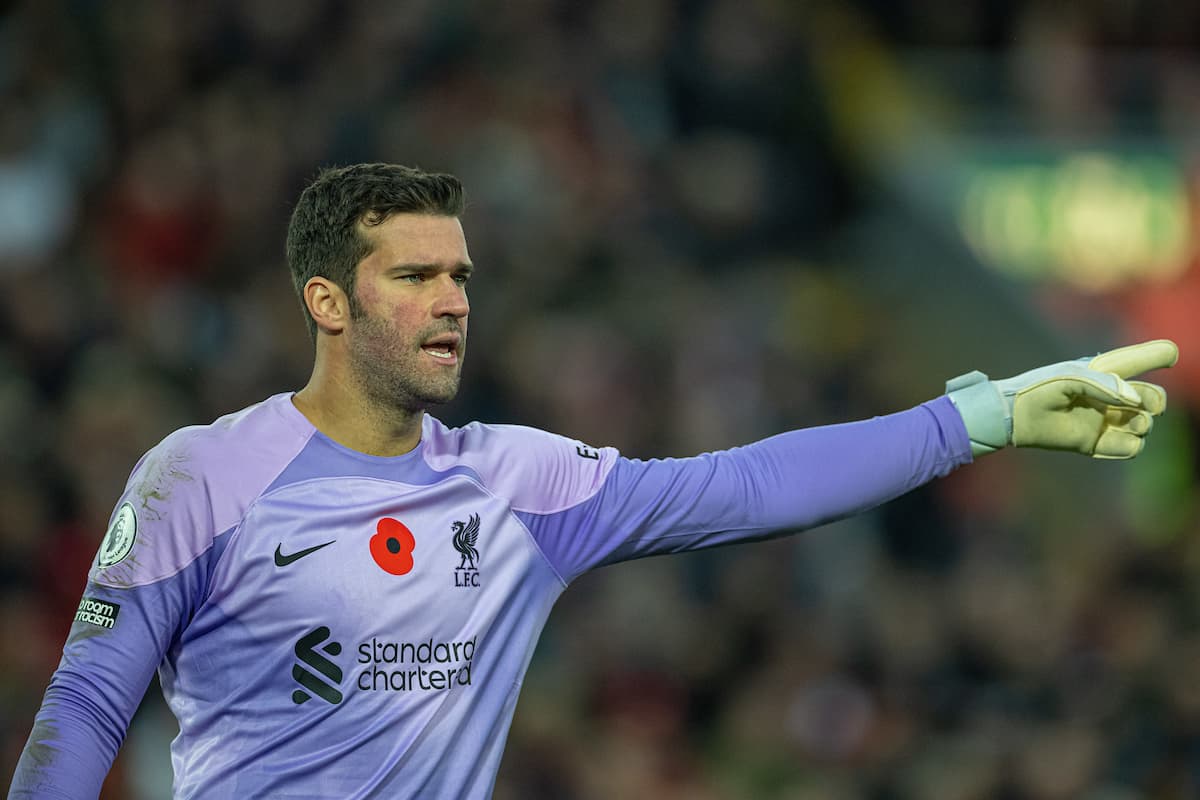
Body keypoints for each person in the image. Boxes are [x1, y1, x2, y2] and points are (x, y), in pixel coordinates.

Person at [9, 163, 1178, 799]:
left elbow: (749, 484)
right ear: (328, 301)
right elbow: (87, 704)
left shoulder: (518, 484)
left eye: (460, 273)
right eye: (415, 275)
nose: (456, 299)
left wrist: (979, 414)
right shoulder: (200, 474)